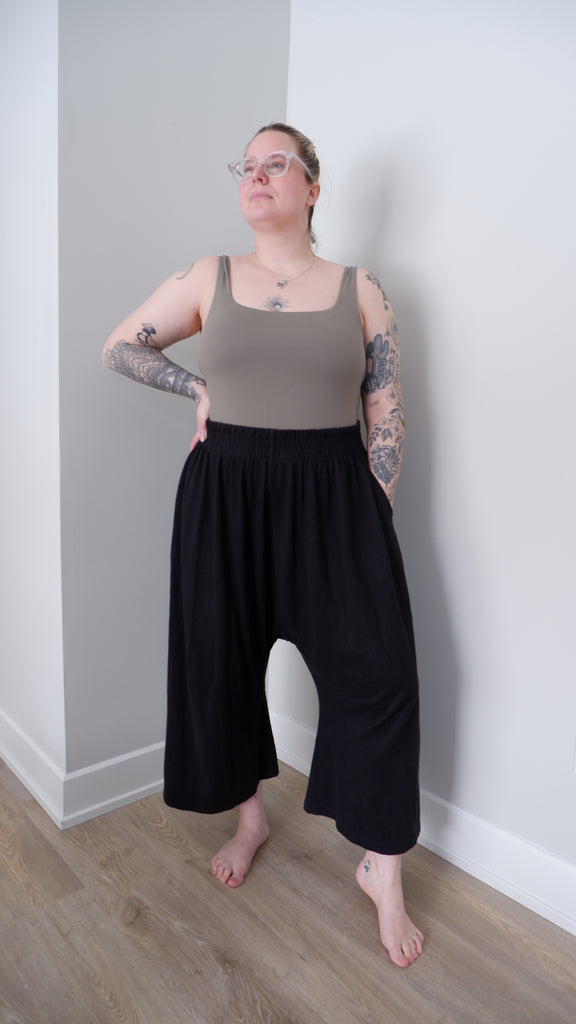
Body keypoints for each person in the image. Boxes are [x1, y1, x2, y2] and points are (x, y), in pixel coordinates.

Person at [103, 123, 423, 968]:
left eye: (276, 162)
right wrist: (196, 385)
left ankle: (382, 867)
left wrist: (373, 509)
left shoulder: (361, 288)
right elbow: (120, 347)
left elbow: (387, 410)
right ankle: (250, 819)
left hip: (335, 494)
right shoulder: (207, 276)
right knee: (221, 663)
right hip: (227, 492)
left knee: (381, 674)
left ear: (311, 187)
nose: (257, 174)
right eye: (246, 165)